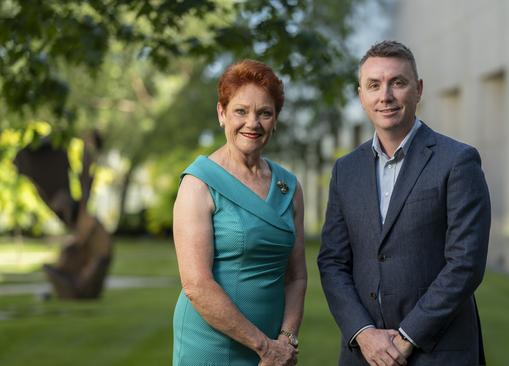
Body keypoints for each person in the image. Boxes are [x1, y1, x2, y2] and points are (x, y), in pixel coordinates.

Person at [318, 40, 491, 366]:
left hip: (437, 352)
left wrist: (407, 337)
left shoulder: (457, 161)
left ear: (418, 89)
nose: (385, 96)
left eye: (397, 82)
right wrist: (364, 333)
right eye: (374, 85)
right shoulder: (345, 170)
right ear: (361, 95)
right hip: (362, 354)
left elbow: (465, 264)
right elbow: (332, 262)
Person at [172, 59, 306, 366]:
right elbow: (196, 285)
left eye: (264, 113)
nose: (252, 123)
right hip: (211, 345)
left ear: (275, 119)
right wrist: (264, 347)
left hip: (274, 350)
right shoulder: (198, 183)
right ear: (222, 114)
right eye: (241, 111)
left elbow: (296, 276)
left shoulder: (290, 186)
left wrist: (286, 340)